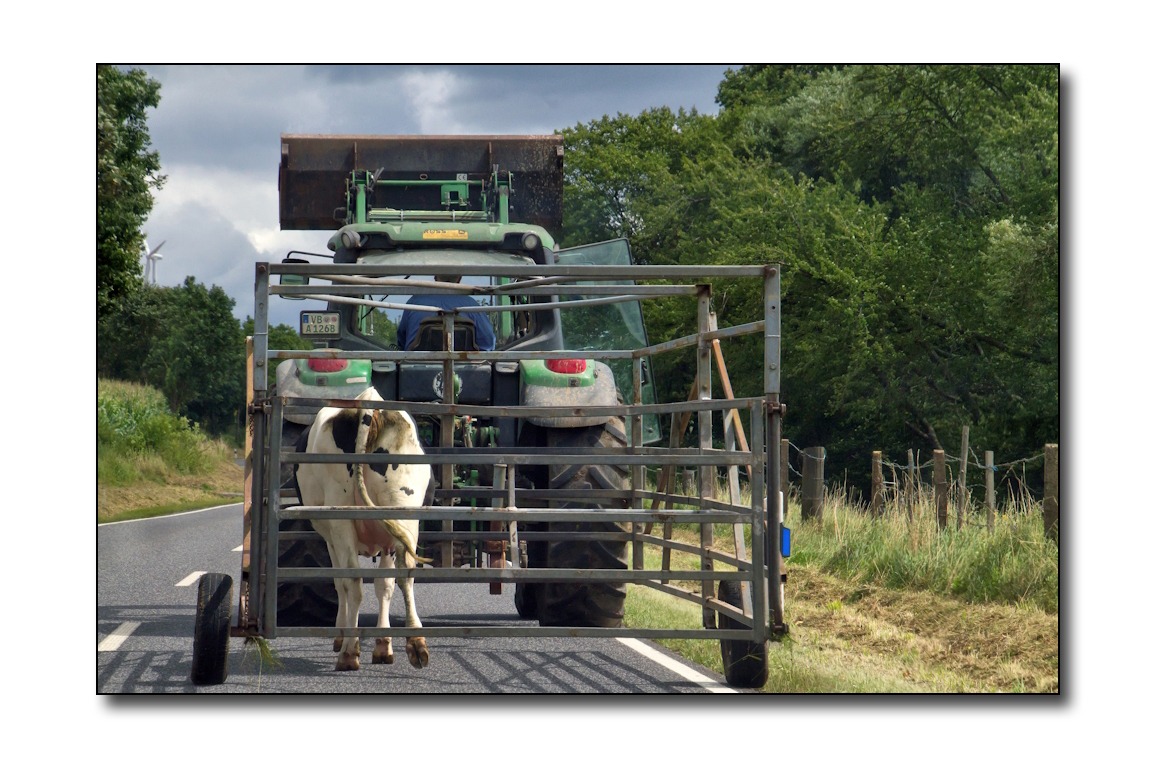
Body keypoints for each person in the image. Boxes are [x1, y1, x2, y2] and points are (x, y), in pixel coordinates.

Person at [397, 275, 496, 351]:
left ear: (435, 278)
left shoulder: (414, 302)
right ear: (459, 279)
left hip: (414, 371)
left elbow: (402, 339)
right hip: (465, 374)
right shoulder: (472, 306)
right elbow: (487, 343)